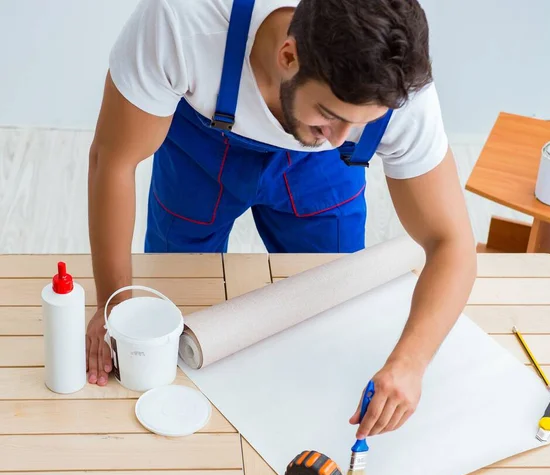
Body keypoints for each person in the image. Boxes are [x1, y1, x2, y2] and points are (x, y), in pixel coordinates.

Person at [86, 0, 477, 439]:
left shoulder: (400, 92)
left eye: (363, 124)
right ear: (288, 56)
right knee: (175, 310)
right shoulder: (183, 20)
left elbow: (452, 243)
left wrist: (410, 363)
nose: (344, 138)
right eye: (332, 115)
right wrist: (112, 305)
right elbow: (113, 161)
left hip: (322, 179)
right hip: (201, 147)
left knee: (332, 306)